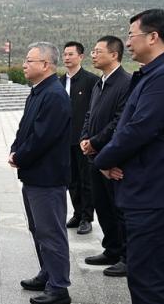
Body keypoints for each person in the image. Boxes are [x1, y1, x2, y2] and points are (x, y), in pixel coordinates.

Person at [93, 9, 164, 304]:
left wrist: (101, 160)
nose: (128, 42)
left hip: (160, 191)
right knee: (152, 276)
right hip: (151, 190)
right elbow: (128, 125)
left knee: (151, 281)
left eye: (132, 35)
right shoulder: (154, 73)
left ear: (153, 37)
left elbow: (140, 128)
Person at [9, 42, 73, 304]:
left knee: (51, 232)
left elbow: (42, 137)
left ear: (45, 65)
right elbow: (25, 128)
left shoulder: (54, 95)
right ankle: (47, 273)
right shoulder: (38, 92)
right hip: (34, 174)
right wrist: (15, 149)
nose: (24, 65)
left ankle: (59, 287)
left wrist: (20, 156)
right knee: (38, 229)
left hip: (48, 177)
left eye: (29, 60)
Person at [79, 36, 132, 277]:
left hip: (113, 157)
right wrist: (85, 138)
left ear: (114, 54)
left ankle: (127, 257)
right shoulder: (100, 83)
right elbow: (90, 115)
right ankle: (111, 249)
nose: (93, 55)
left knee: (118, 208)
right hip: (95, 155)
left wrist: (96, 142)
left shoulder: (126, 83)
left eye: (98, 51)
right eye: (92, 51)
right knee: (102, 206)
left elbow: (120, 121)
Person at [59, 41, 100, 235]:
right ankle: (77, 213)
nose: (67, 58)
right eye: (65, 54)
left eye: (71, 54)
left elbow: (94, 110)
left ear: (81, 57)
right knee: (71, 180)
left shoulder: (91, 81)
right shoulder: (59, 82)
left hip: (83, 139)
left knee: (86, 180)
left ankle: (86, 217)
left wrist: (90, 136)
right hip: (64, 139)